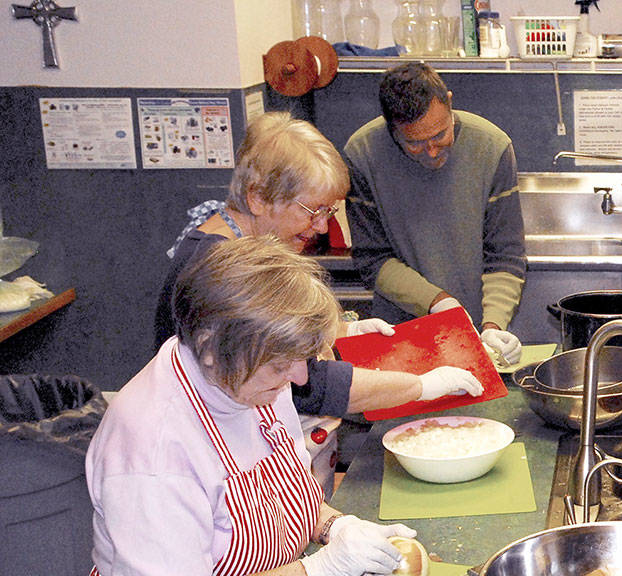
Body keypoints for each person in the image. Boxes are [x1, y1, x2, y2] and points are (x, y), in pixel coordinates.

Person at [67, 237, 424, 576]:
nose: (300, 381)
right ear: (209, 343)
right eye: (283, 365)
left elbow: (283, 488)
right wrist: (321, 570)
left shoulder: (252, 375)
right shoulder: (156, 447)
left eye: (301, 361)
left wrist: (336, 527)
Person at [155, 113, 483, 490]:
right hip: (219, 464)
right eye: (312, 211)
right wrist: (420, 386)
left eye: (330, 211)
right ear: (258, 198)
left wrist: (341, 330)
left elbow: (271, 337)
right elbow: (307, 382)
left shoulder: (242, 244)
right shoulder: (218, 269)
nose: (323, 227)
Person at [344, 61, 526, 365]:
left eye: (440, 135)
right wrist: (438, 303)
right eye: (414, 143)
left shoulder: (492, 148)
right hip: (399, 337)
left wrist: (493, 326)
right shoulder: (362, 155)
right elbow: (373, 260)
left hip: (481, 338)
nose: (431, 151)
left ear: (450, 103)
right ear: (392, 129)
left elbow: (505, 256)